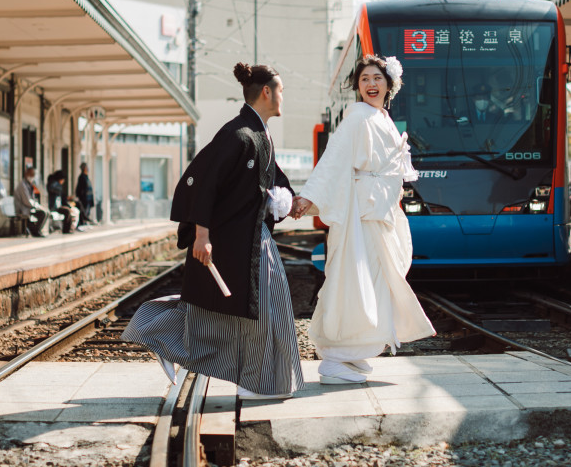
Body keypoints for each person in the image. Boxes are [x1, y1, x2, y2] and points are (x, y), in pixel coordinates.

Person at [121, 62, 304, 401]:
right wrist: (201, 235)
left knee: (258, 309)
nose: (282, 97)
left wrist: (292, 200)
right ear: (267, 92)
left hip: (249, 239)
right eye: (280, 90)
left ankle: (260, 381)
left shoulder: (258, 134)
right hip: (230, 240)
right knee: (253, 311)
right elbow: (202, 183)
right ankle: (165, 338)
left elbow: (274, 179)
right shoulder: (237, 134)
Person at [291, 55, 435, 385]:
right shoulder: (357, 116)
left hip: (378, 211)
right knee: (357, 280)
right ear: (358, 86)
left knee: (374, 281)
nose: (370, 84)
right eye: (364, 79)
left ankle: (351, 353)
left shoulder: (380, 117)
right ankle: (337, 358)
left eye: (376, 78)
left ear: (389, 85)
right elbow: (334, 158)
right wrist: (310, 196)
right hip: (362, 214)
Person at [14, 167, 49, 238]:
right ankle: (35, 231)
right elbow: (27, 201)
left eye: (33, 175)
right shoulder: (22, 185)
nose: (32, 176)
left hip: (29, 207)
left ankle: (35, 230)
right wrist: (38, 206)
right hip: (23, 208)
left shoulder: (30, 184)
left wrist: (38, 205)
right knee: (43, 213)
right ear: (26, 174)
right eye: (31, 174)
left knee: (46, 212)